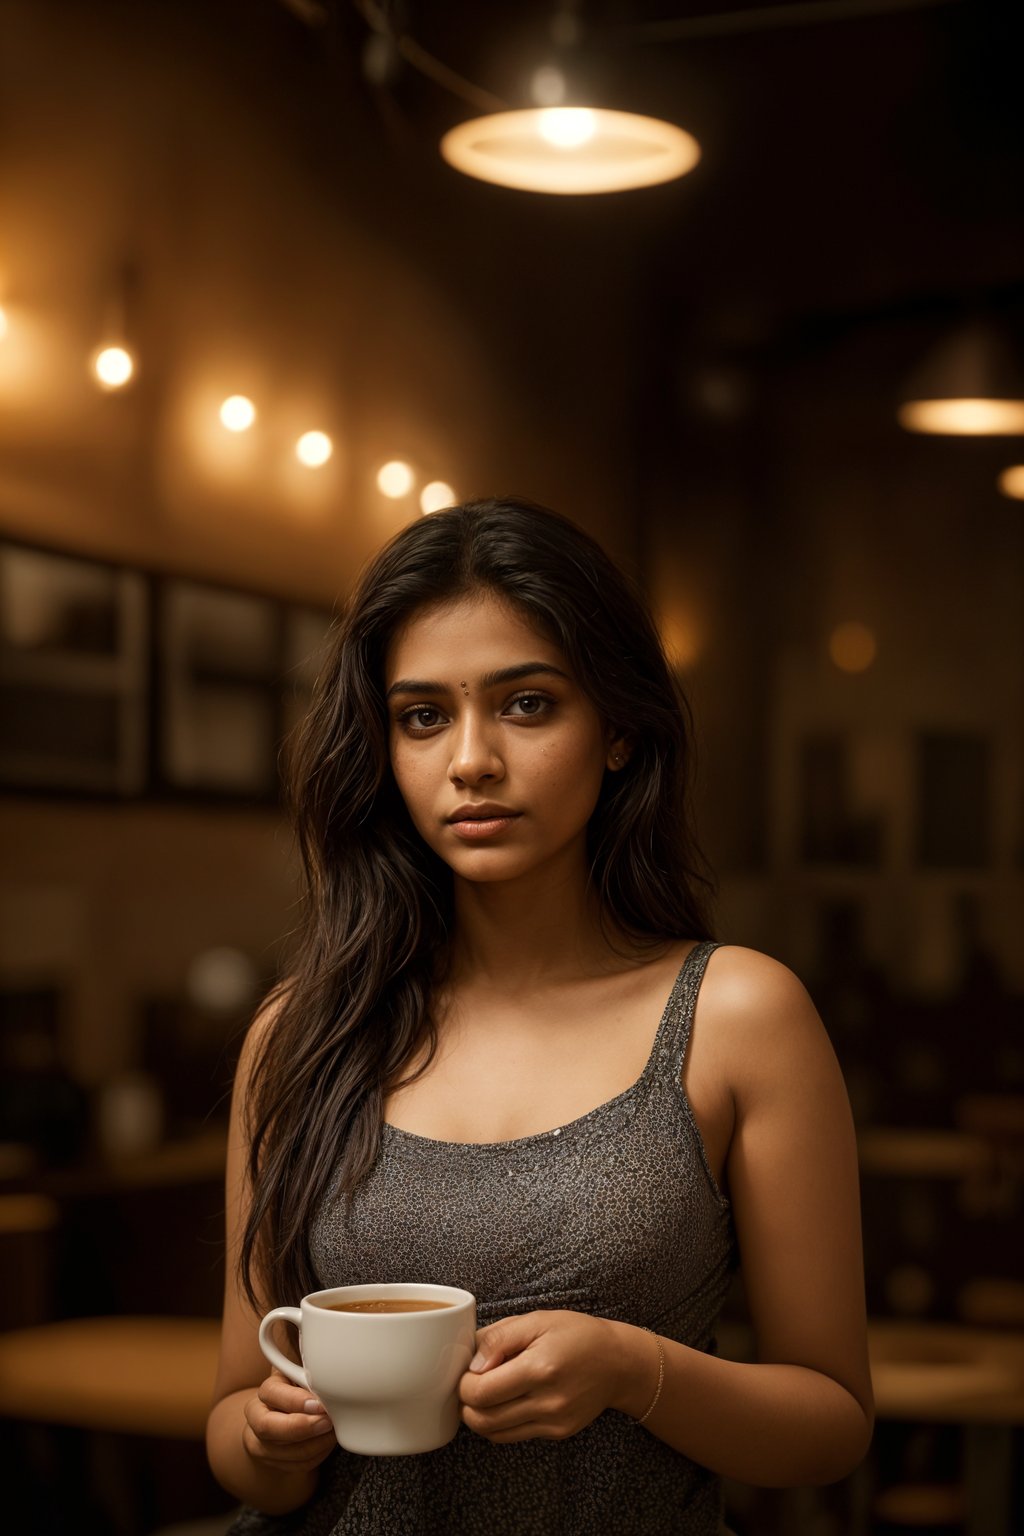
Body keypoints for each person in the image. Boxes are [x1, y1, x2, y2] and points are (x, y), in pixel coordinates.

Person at [206, 497, 873, 1535]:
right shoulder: (300, 1035)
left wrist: (635, 1370)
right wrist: (264, 1439)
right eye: (423, 716)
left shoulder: (737, 1016)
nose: (470, 759)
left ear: (615, 730)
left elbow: (830, 1427)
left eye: (525, 705)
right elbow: (235, 1415)